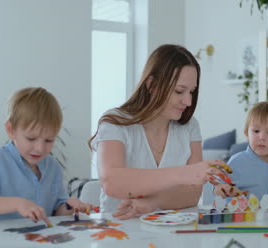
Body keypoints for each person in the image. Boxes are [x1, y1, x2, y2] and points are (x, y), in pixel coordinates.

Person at [89, 44, 232, 220]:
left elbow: (192, 194)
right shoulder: (115, 122)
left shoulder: (189, 126)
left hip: (172, 233)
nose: (188, 101)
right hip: (119, 232)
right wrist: (187, 173)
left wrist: (152, 203)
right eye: (179, 91)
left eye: (192, 92)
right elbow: (111, 181)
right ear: (152, 85)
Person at [0, 87, 94, 225]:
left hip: (38, 242)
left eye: (49, 140)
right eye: (31, 138)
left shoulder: (53, 167)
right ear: (11, 130)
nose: (39, 148)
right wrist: (17, 204)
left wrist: (69, 206)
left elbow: (56, 213)